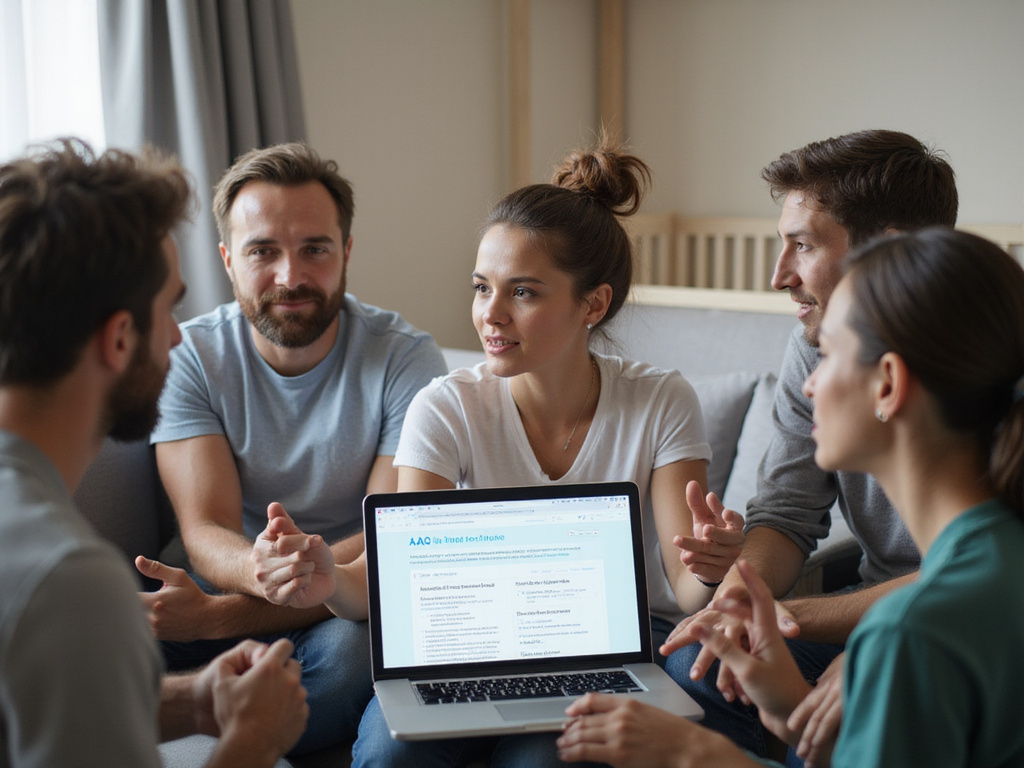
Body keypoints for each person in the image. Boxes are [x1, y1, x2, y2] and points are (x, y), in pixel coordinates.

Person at [254, 139, 745, 768]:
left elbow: (684, 588)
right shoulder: (446, 406)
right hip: (463, 649)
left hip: (601, 656)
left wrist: (708, 563)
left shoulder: (660, 401)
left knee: (540, 761)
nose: (490, 314)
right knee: (387, 755)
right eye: (482, 287)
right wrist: (327, 577)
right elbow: (400, 589)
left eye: (524, 293)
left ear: (592, 303)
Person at [556, 227, 1024, 768]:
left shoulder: (907, 634)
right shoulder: (1003, 553)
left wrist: (699, 754)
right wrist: (791, 709)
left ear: (888, 385)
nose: (808, 385)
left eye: (826, 354)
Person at [0, 138, 308, 767]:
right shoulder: (71, 581)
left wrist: (194, 701)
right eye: (168, 308)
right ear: (119, 338)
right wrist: (251, 740)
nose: (177, 336)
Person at [659, 129, 959, 763]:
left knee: (851, 706)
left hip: (957, 622)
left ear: (891, 251)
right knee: (700, 660)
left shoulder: (986, 358)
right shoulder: (814, 340)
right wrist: (744, 595)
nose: (778, 277)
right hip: (875, 613)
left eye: (803, 245)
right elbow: (786, 510)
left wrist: (867, 641)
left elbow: (982, 572)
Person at [141, 141, 447, 753]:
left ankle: (237, 721)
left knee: (346, 667)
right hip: (223, 574)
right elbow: (206, 527)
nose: (291, 276)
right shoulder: (190, 355)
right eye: (263, 252)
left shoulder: (405, 359)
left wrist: (223, 617)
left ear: (347, 252)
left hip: (344, 596)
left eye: (315, 249)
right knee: (97, 645)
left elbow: (391, 532)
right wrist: (258, 571)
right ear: (228, 261)